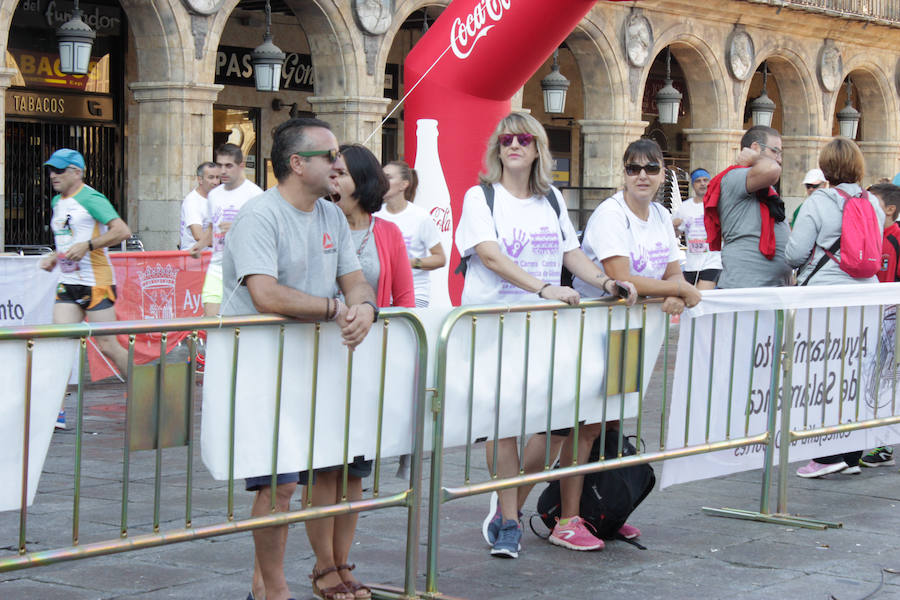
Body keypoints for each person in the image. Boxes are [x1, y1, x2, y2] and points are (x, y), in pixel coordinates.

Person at [455, 112, 637, 558]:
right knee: (503, 428)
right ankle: (510, 521)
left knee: (546, 425)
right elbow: (491, 256)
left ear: (536, 147)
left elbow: (571, 253)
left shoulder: (551, 198)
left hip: (542, 328)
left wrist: (607, 282)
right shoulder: (481, 197)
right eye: (505, 139)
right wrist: (543, 288)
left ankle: (508, 508)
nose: (513, 145)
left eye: (522, 139)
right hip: (495, 326)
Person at [222, 118, 377, 600]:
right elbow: (265, 293)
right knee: (279, 487)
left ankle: (265, 586)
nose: (338, 164)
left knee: (320, 476)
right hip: (261, 365)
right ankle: (275, 590)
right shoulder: (259, 215)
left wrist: (366, 307)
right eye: (329, 155)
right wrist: (336, 309)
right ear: (296, 164)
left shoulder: (331, 216)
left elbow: (354, 279)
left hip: (312, 368)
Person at [294, 143, 414, 600]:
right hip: (318, 360)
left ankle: (344, 563)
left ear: (361, 181)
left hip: (367, 365)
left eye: (341, 172)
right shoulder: (314, 226)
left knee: (355, 474)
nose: (333, 179)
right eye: (331, 170)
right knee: (324, 471)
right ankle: (323, 567)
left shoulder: (388, 234)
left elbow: (403, 300)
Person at [785, 136, 885, 478]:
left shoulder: (818, 202)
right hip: (866, 297)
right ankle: (851, 454)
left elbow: (795, 254)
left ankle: (828, 456)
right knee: (855, 375)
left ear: (826, 167)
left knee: (823, 374)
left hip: (826, 299)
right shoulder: (872, 201)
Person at [38, 148, 132, 429]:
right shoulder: (58, 200)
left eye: (59, 170)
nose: (53, 175)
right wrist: (56, 256)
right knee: (60, 344)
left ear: (76, 172)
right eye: (51, 170)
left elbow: (122, 231)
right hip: (69, 282)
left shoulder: (91, 197)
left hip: (97, 282)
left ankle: (148, 394)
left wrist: (89, 246)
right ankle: (57, 410)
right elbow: (68, 238)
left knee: (108, 345)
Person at [705, 125, 791, 289]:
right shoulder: (736, 176)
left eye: (781, 153)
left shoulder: (761, 183)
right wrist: (757, 159)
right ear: (755, 148)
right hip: (745, 288)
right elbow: (772, 169)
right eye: (775, 151)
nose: (779, 159)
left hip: (767, 288)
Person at [855, 182, 900, 467]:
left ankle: (883, 446)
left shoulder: (894, 239)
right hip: (870, 319)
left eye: (873, 203)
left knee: (885, 383)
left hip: (890, 321)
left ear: (890, 209)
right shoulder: (870, 236)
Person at [191, 143, 263, 317]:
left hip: (243, 269)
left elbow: (265, 232)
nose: (223, 171)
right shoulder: (214, 195)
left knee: (240, 324)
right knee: (211, 321)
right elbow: (211, 226)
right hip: (217, 265)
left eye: (228, 166)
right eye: (219, 165)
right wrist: (200, 245)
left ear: (241, 166)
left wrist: (237, 227)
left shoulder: (255, 194)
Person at [375, 160, 446, 307]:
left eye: (388, 178)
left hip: (415, 293)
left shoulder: (420, 217)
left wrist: (409, 263)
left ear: (404, 184)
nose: (382, 182)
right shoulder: (376, 215)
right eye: (380, 177)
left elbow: (440, 258)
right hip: (383, 294)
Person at [671, 168, 721, 289]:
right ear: (693, 184)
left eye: (705, 180)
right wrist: (674, 226)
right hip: (691, 264)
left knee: (701, 297)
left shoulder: (718, 204)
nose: (703, 183)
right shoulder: (685, 207)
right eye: (698, 181)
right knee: (689, 301)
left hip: (713, 261)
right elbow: (675, 234)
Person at [178, 161, 219, 250]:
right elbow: (198, 235)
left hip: (213, 258)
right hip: (195, 259)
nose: (215, 182)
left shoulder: (217, 199)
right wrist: (224, 245)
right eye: (211, 178)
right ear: (200, 179)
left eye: (217, 177)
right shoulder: (192, 201)